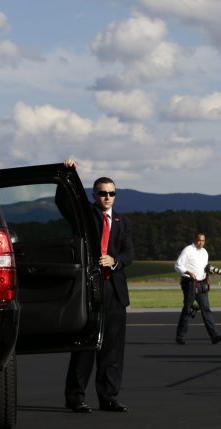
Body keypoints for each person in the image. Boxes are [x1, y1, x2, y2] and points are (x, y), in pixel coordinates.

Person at [63, 162, 135, 413]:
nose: (107, 197)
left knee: (112, 349)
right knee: (85, 346)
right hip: (91, 289)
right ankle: (76, 397)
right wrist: (69, 173)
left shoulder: (123, 221)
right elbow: (65, 203)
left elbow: (129, 253)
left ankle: (109, 397)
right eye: (102, 193)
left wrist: (115, 261)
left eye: (111, 193)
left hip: (115, 291)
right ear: (94, 195)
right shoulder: (86, 215)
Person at [174, 233, 221, 345]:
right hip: (190, 283)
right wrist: (188, 272)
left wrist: (208, 277)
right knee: (187, 310)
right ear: (195, 240)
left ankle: (214, 336)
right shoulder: (188, 250)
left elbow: (205, 268)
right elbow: (178, 265)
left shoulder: (205, 252)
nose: (201, 243)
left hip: (202, 284)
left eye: (203, 241)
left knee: (206, 309)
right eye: (199, 240)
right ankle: (180, 336)